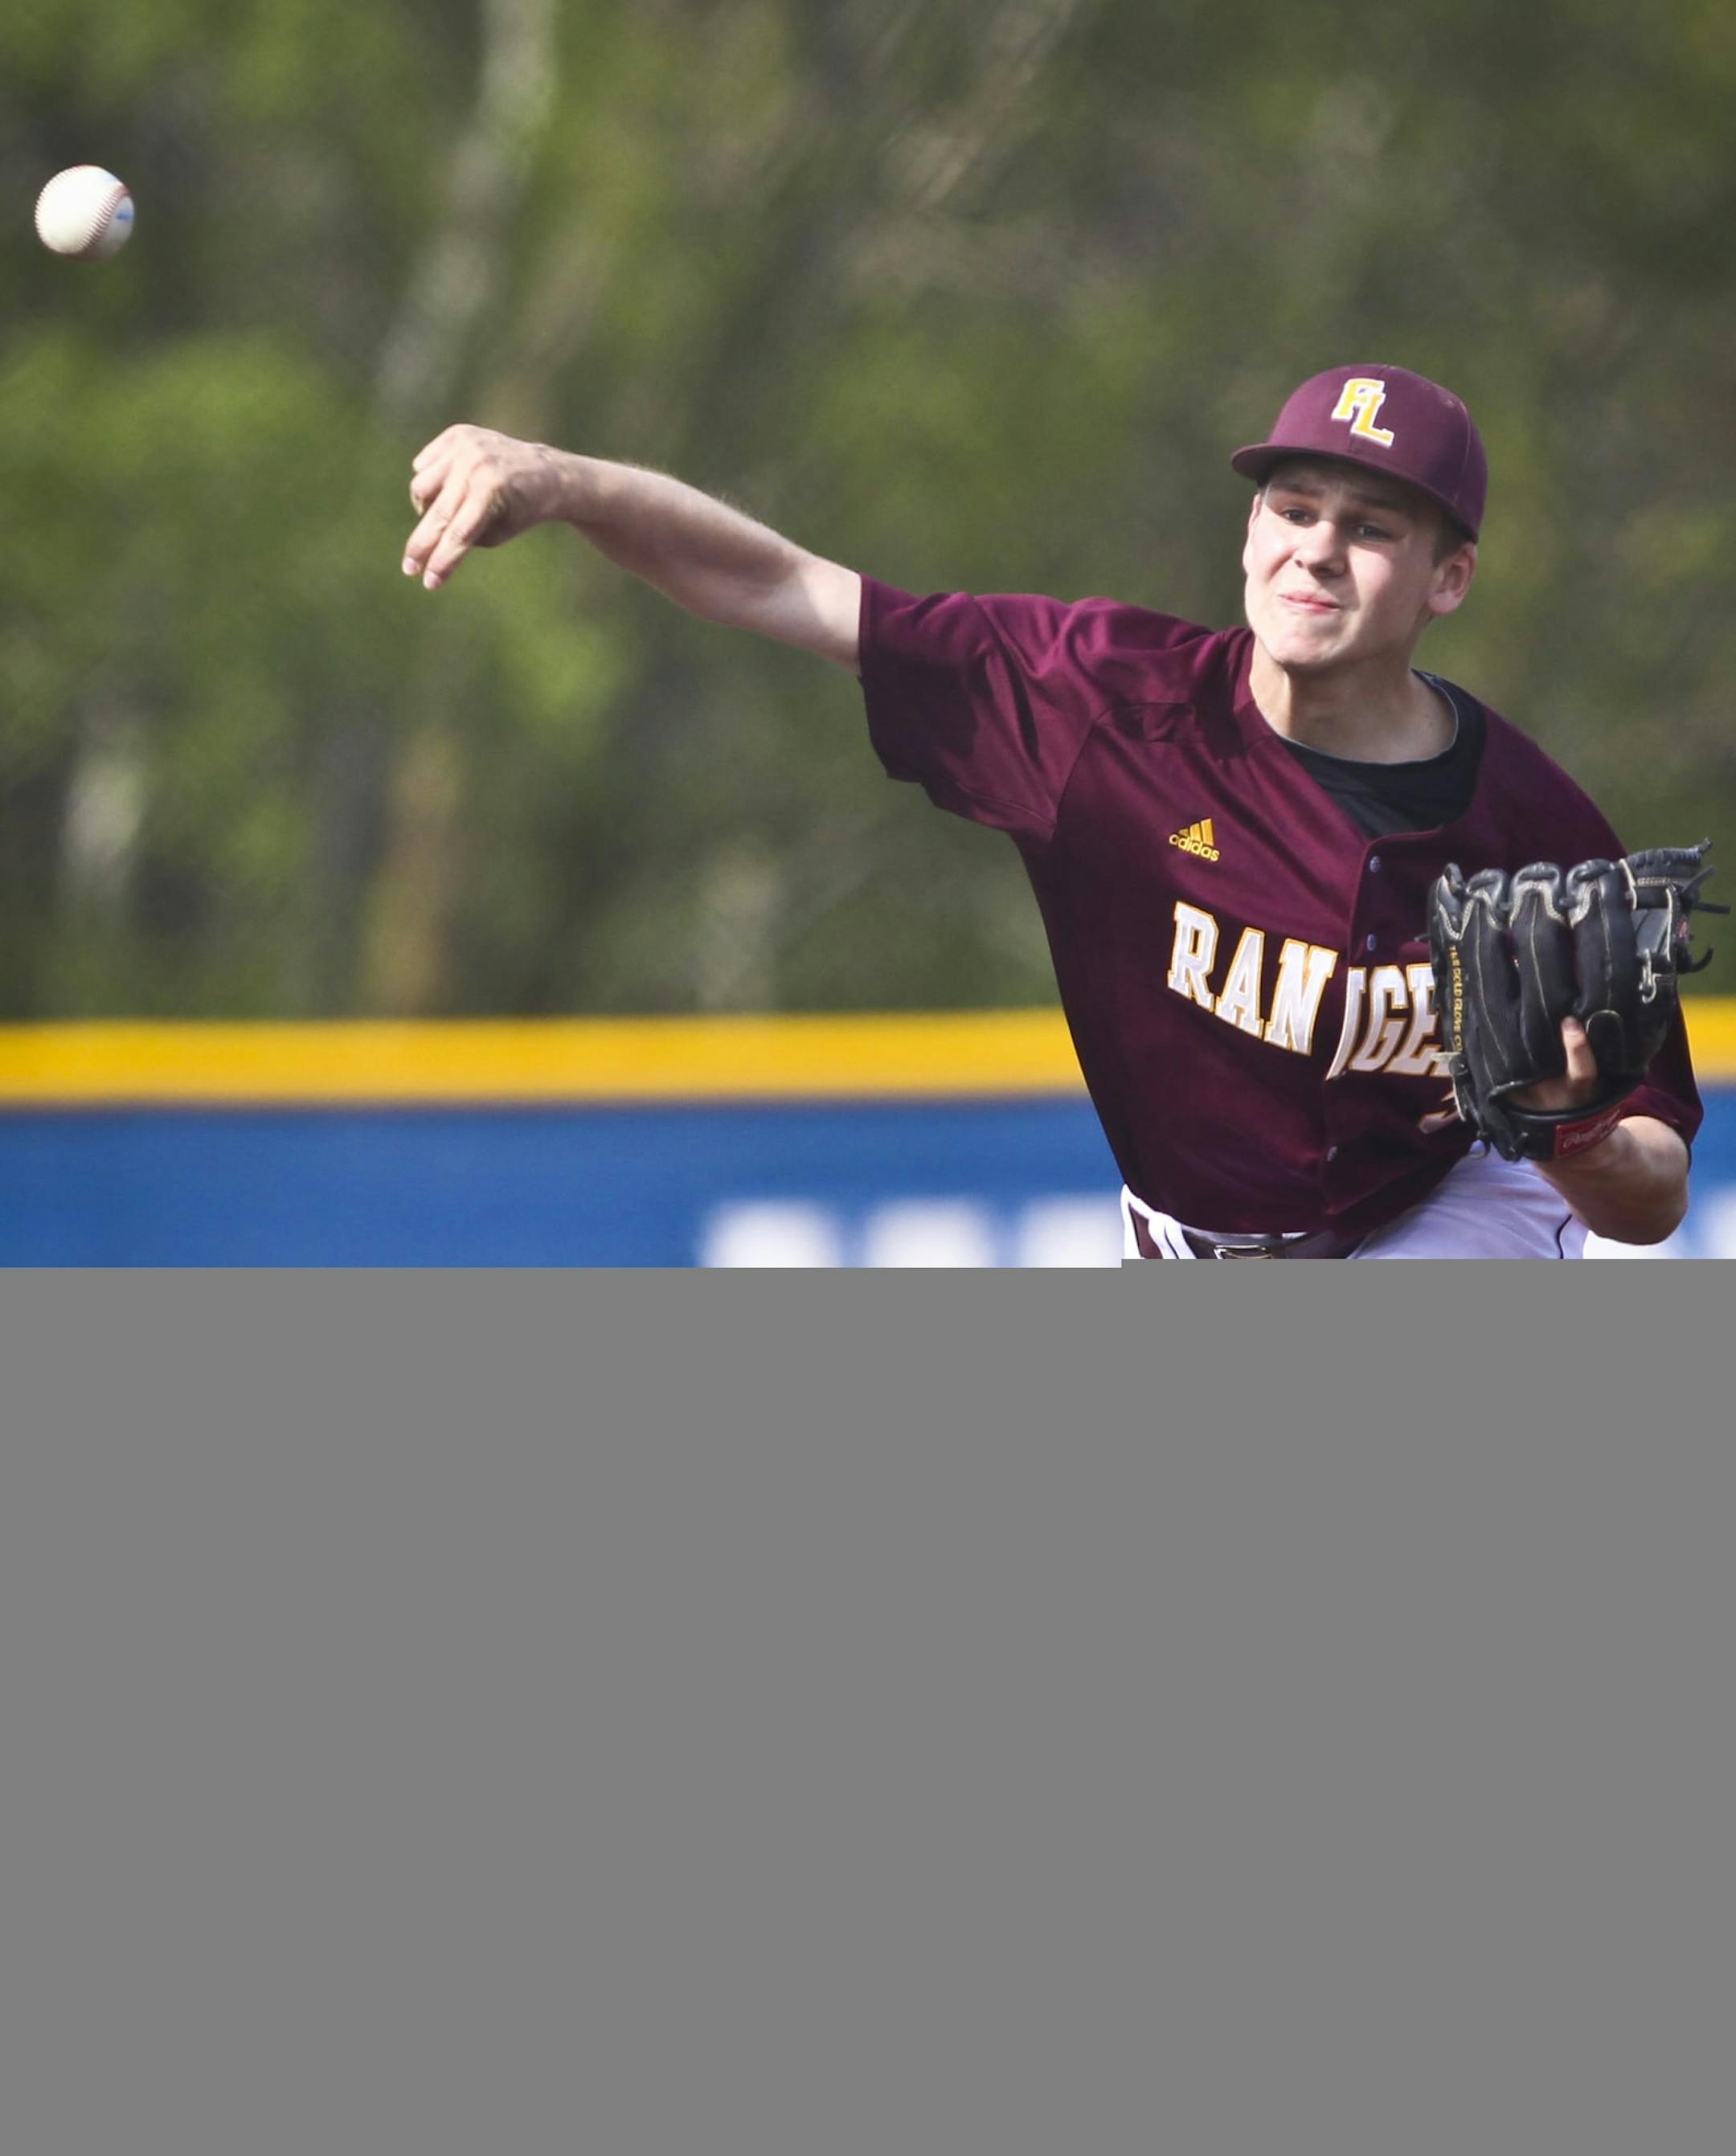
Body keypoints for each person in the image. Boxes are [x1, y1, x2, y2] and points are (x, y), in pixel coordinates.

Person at [400, 363, 1702, 1259]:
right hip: (1187, 1240)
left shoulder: (1534, 826)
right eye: (1290, 506)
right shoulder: (1094, 703)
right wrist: (559, 479)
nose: (1312, 546)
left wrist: (1575, 1131)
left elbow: (1650, 1197)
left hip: (1442, 1218)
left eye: (1369, 527)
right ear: (1249, 531)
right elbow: (775, 586)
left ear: (1449, 579)